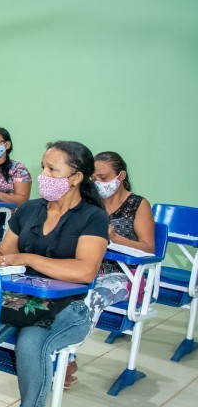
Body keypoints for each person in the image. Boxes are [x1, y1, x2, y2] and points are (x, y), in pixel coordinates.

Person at [0, 141, 108, 407]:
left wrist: (28, 258)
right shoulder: (30, 209)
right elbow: (5, 253)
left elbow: (85, 271)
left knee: (32, 343)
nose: (43, 174)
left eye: (52, 169)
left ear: (76, 177)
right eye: (43, 167)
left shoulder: (92, 218)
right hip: (20, 300)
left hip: (69, 306)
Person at [68, 151, 155, 388]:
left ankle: (67, 357)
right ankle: (58, 351)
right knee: (62, 292)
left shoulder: (138, 204)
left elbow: (149, 248)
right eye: (93, 179)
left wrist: (115, 238)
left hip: (125, 275)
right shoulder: (89, 203)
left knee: (92, 297)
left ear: (121, 176)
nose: (98, 184)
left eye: (104, 178)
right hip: (89, 267)